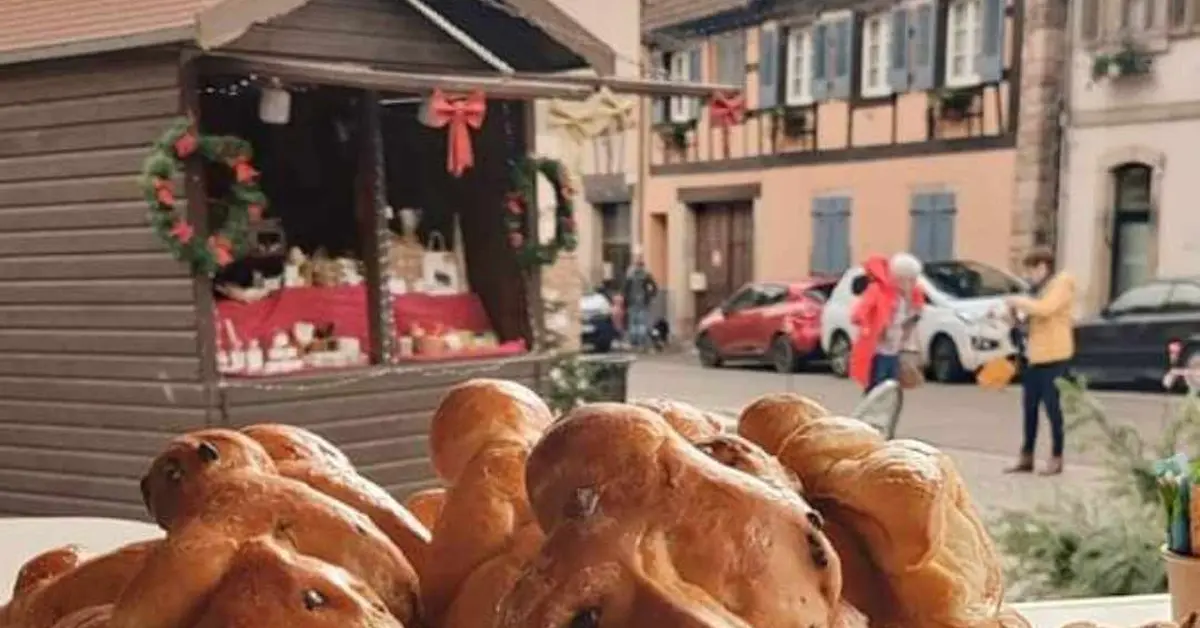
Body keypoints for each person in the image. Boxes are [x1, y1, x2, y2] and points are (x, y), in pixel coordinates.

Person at [1002, 247, 1075, 476]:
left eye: (1031, 270)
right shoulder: (1037, 290)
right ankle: (1027, 456)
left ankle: (1056, 456)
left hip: (1054, 355)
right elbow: (1031, 319)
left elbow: (1046, 310)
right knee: (1029, 408)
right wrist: (1013, 317)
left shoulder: (1061, 284)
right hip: (1034, 356)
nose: (1029, 276)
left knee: (1053, 408)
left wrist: (1019, 301)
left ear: (1043, 267)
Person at [849, 253, 926, 393]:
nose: (914, 284)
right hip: (878, 351)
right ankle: (872, 413)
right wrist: (870, 329)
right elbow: (858, 314)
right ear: (899, 278)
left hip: (894, 351)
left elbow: (912, 317)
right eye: (911, 280)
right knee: (877, 389)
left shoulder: (908, 297)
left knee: (891, 390)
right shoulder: (877, 290)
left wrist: (913, 319)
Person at [622, 255, 659, 352]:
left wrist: (626, 300)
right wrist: (650, 295)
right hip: (641, 302)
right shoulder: (646, 275)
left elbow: (625, 289)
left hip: (634, 302)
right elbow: (654, 287)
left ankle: (635, 343)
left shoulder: (631, 275)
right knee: (641, 323)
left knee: (634, 323)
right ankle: (641, 344)